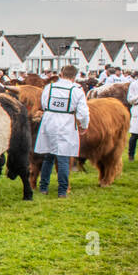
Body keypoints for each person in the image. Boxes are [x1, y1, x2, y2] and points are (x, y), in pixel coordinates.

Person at [34, 65, 90, 198]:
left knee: (49, 156)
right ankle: (62, 191)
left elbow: (43, 103)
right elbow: (83, 112)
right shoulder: (76, 90)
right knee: (63, 157)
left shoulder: (49, 87)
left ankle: (43, 187)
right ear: (74, 77)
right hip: (66, 122)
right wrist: (83, 125)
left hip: (49, 120)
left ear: (61, 74)